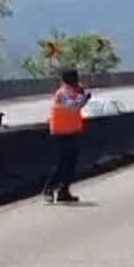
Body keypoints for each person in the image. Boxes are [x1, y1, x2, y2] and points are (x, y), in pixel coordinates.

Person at [43, 69, 91, 203]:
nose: (77, 80)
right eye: (75, 78)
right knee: (62, 163)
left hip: (72, 131)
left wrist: (83, 96)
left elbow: (78, 106)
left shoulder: (75, 91)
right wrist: (84, 97)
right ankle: (48, 189)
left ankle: (64, 190)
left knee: (71, 163)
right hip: (60, 132)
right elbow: (72, 106)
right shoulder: (62, 93)